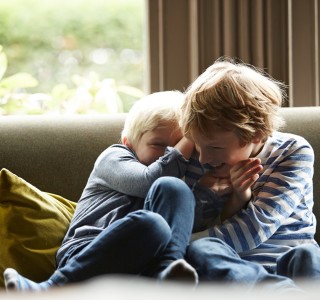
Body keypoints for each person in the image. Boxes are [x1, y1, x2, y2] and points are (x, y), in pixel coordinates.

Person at [3, 91, 198, 292]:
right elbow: (147, 180)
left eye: (178, 144)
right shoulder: (114, 157)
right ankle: (53, 288)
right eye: (158, 144)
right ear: (128, 142)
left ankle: (166, 277)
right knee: (153, 225)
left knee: (176, 189)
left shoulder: (176, 178)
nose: (170, 153)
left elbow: (190, 221)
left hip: (141, 266)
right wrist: (188, 141)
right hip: (88, 253)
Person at [170, 57, 318, 291]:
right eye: (197, 144)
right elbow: (191, 221)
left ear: (256, 135)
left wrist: (176, 244)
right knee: (204, 249)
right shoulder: (200, 156)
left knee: (307, 255)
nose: (203, 158)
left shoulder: (292, 151)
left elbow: (255, 229)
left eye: (215, 148)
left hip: (288, 263)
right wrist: (208, 193)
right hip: (236, 269)